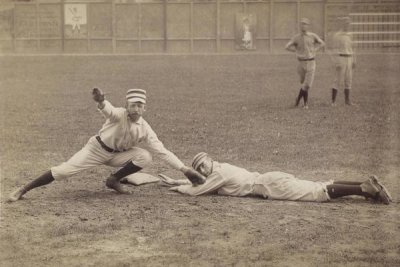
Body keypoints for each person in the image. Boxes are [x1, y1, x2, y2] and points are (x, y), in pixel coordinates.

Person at [8, 88, 205, 202]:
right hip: (96, 150)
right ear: (127, 105)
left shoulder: (145, 128)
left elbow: (163, 151)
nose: (136, 108)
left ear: (145, 108)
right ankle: (24, 189)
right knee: (64, 172)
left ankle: (113, 180)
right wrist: (101, 101)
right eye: (133, 104)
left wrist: (185, 169)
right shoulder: (119, 114)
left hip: (118, 155)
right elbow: (107, 110)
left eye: (140, 105)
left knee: (146, 156)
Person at [161, 152, 392, 205]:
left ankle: (365, 189)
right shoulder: (220, 169)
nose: (202, 168)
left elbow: (199, 191)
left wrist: (180, 189)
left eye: (203, 164)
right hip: (268, 180)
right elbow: (205, 184)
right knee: (317, 185)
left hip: (268, 185)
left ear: (211, 161)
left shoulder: (219, 173)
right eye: (199, 167)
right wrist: (179, 181)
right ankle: (364, 183)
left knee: (316, 192)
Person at [285, 18, 325, 109]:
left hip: (311, 61)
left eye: (305, 24)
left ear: (308, 26)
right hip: (301, 63)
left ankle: (301, 102)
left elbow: (322, 43)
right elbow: (287, 46)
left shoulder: (312, 36)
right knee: (303, 83)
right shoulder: (296, 37)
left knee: (307, 84)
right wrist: (296, 52)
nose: (304, 26)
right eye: (302, 24)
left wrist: (315, 49)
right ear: (300, 26)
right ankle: (302, 102)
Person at [330, 16, 355, 106]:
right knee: (338, 80)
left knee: (348, 79)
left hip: (349, 58)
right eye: (345, 23)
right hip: (341, 58)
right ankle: (333, 101)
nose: (347, 25)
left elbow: (352, 48)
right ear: (342, 24)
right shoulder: (337, 35)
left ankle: (347, 100)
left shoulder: (350, 35)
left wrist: (354, 60)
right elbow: (334, 49)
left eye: (348, 23)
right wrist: (336, 62)